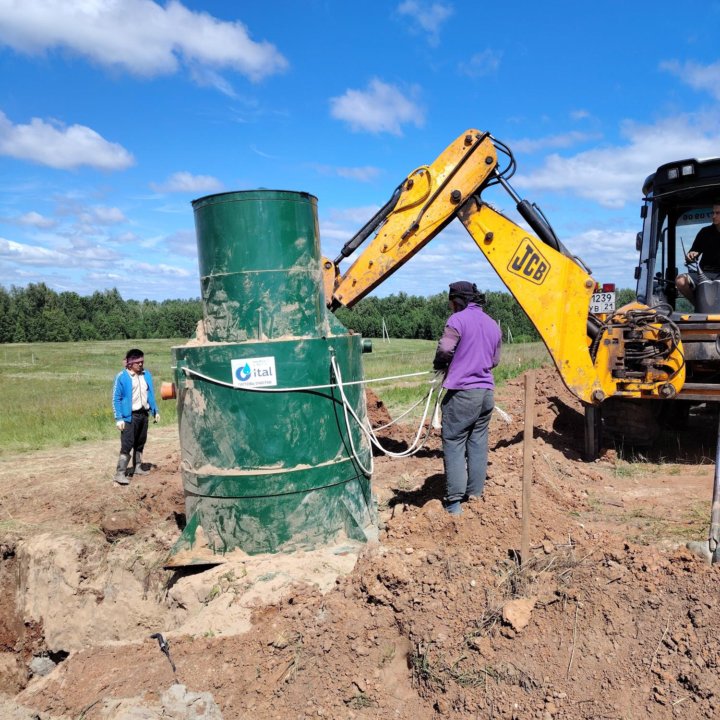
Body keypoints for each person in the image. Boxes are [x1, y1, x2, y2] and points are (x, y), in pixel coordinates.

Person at [433, 281, 502, 515]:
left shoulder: (457, 320)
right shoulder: (493, 324)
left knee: (453, 442)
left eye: (452, 302)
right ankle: (475, 494)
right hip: (486, 395)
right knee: (478, 442)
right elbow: (494, 361)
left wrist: (441, 365)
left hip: (463, 394)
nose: (451, 306)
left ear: (458, 300)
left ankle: (454, 504)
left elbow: (444, 349)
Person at [112, 348, 159, 485]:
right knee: (127, 444)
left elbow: (150, 394)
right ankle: (120, 473)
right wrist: (119, 418)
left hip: (143, 414)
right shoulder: (122, 377)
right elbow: (116, 398)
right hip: (129, 417)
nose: (140, 364)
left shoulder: (146, 375)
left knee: (140, 442)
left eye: (142, 361)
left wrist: (155, 411)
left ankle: (137, 467)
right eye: (138, 362)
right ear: (130, 363)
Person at [676, 203, 720, 304]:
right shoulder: (704, 232)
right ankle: (698, 305)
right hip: (704, 274)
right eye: (713, 212)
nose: (713, 216)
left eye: (718, 213)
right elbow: (690, 255)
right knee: (680, 281)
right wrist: (690, 256)